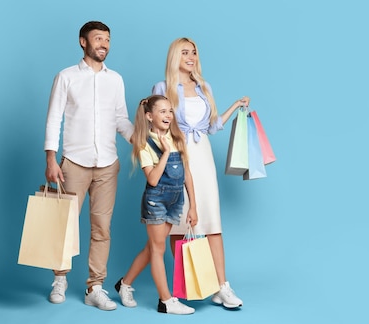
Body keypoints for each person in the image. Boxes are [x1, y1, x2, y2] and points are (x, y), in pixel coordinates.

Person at [44, 21, 133, 311]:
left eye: (107, 39)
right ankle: (59, 279)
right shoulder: (66, 77)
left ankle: (95, 287)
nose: (103, 44)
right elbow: (54, 117)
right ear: (83, 42)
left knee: (102, 229)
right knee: (65, 226)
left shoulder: (115, 79)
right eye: (98, 39)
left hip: (108, 163)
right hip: (74, 163)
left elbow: (121, 119)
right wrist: (51, 158)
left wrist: (143, 141)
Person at [152, 37, 247, 308]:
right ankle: (192, 284)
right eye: (184, 52)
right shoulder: (163, 87)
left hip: (202, 156)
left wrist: (235, 106)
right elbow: (157, 127)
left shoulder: (204, 86)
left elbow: (212, 126)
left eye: (193, 52)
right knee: (179, 225)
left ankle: (222, 287)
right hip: (175, 157)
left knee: (212, 223)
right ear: (174, 57)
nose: (191, 56)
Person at [114, 95, 197, 315]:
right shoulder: (144, 143)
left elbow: (187, 174)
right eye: (162, 111)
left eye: (170, 111)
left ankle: (124, 284)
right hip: (156, 201)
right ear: (150, 116)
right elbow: (152, 179)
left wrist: (193, 206)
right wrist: (166, 152)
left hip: (176, 201)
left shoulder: (177, 137)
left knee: (152, 247)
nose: (168, 115)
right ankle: (166, 301)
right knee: (158, 249)